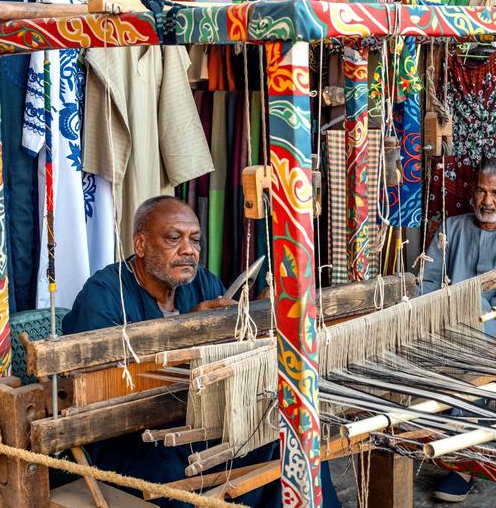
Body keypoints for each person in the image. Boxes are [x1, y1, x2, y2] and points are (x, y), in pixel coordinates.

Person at [63, 195, 340, 507]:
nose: (188, 250)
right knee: (175, 479)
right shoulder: (103, 295)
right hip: (133, 440)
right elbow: (101, 389)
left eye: (195, 240)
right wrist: (187, 332)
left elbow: (231, 356)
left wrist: (256, 318)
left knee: (290, 440)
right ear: (140, 244)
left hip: (198, 425)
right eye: (173, 238)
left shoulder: (203, 281)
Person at [421, 158, 496, 503]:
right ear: (472, 193)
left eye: (495, 192)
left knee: (474, 369)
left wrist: (470, 321)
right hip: (446, 333)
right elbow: (426, 283)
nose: (488, 201)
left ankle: (464, 463)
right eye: (481, 190)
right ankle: (435, 443)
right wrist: (441, 320)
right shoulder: (451, 229)